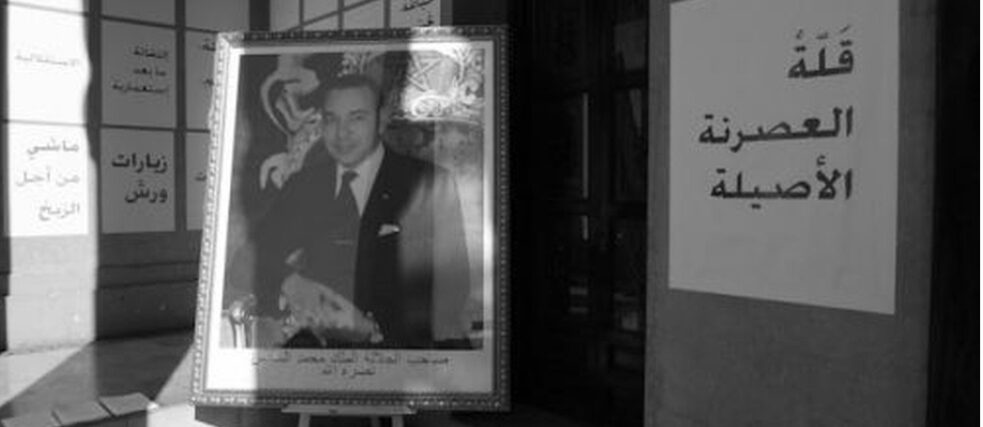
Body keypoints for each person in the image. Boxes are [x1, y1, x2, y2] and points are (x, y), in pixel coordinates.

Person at [225, 74, 472, 349]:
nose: (342, 133)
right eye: (331, 119)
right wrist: (292, 285)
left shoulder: (429, 183)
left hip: (404, 348)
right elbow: (245, 261)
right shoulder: (305, 186)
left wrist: (372, 327)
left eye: (357, 118)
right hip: (321, 349)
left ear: (381, 119)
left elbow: (453, 286)